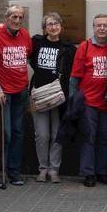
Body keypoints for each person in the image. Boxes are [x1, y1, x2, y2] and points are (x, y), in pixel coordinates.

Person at [0, 5, 33, 186]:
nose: (17, 20)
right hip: (3, 93)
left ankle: (14, 171)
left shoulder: (25, 35)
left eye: (20, 17)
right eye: (14, 17)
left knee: (18, 132)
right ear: (7, 18)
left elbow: (26, 57)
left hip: (21, 91)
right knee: (4, 133)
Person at [30, 12, 76, 183]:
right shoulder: (36, 43)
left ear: (61, 26)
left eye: (56, 23)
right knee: (41, 135)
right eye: (49, 24)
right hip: (38, 95)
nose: (53, 27)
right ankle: (42, 169)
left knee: (57, 134)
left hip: (59, 97)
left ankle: (53, 169)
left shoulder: (68, 49)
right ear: (44, 28)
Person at [71, 14, 107, 186]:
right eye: (98, 25)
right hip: (88, 102)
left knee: (104, 138)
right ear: (93, 27)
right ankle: (89, 173)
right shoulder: (85, 46)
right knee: (89, 137)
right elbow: (74, 77)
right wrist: (73, 103)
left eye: (105, 25)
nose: (102, 28)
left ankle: (102, 172)